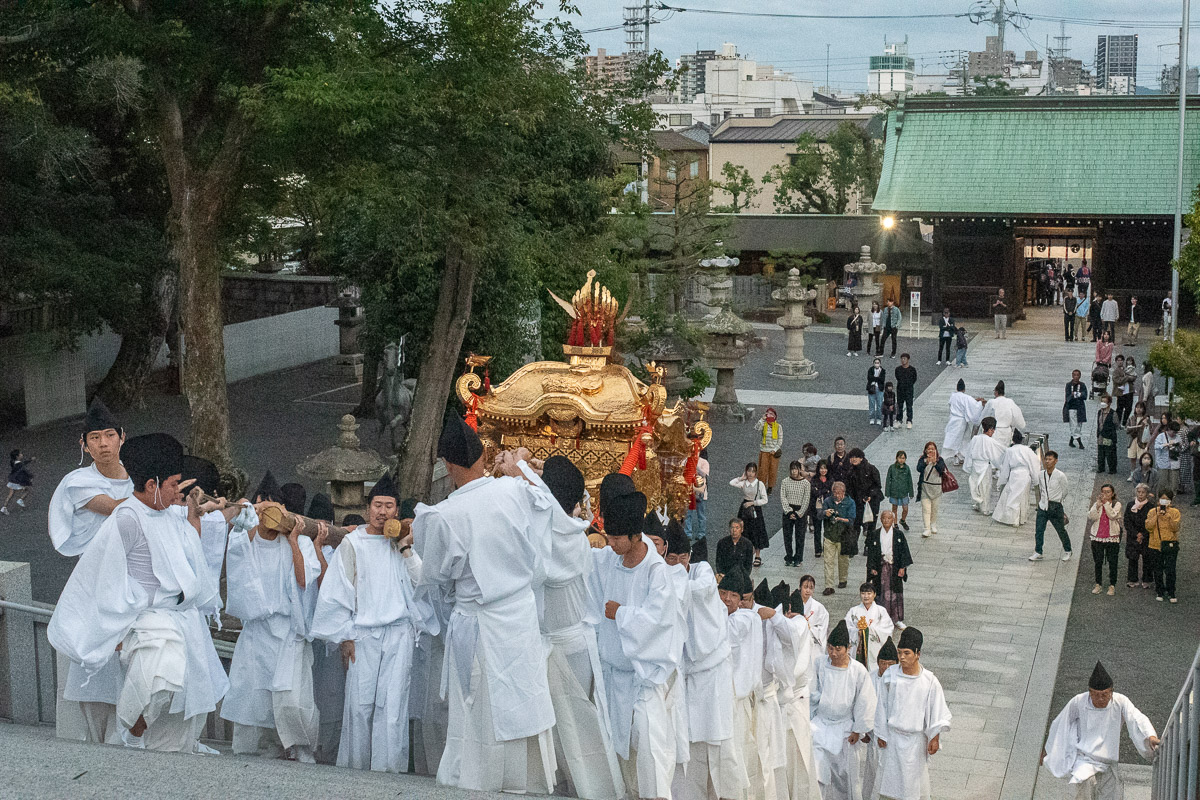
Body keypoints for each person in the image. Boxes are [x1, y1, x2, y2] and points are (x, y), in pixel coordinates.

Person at [47, 433, 230, 752]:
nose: (180, 492)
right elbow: (104, 581)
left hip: (185, 631)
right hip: (148, 630)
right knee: (147, 721)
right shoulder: (127, 520)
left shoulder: (175, 517)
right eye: (175, 484)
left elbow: (195, 580)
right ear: (151, 485)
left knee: (180, 732)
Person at [413, 418, 556, 792]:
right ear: (483, 454)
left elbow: (435, 574)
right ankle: (521, 781)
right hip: (519, 613)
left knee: (479, 707)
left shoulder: (445, 515)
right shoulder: (513, 492)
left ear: (447, 465)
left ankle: (476, 778)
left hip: (476, 617)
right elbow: (545, 511)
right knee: (517, 698)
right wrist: (520, 465)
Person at [311, 473, 429, 773]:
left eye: (389, 506)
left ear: (397, 511)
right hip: (363, 633)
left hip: (398, 632)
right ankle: (356, 769)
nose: (383, 512)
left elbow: (422, 583)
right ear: (368, 509)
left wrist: (405, 547)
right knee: (360, 705)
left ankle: (388, 771)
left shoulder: (402, 544)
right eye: (377, 505)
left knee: (392, 706)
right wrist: (344, 636)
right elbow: (338, 592)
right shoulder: (353, 542)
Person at [525, 456, 624, 800]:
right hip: (559, 643)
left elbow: (541, 568)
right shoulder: (565, 534)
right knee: (561, 728)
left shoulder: (567, 539)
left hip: (568, 646)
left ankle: (590, 790)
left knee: (574, 727)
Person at [46, 399, 134, 745]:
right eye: (94, 437)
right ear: (84, 445)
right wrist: (155, 501)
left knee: (127, 663)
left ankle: (124, 738)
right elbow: (112, 509)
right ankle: (83, 741)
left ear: (122, 437)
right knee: (88, 662)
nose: (103, 443)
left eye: (109, 435)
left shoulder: (138, 482)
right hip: (92, 581)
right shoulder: (77, 481)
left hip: (132, 581)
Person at [591, 473, 683, 799]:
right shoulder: (608, 559)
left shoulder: (656, 572)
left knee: (648, 745)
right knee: (616, 755)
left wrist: (621, 613)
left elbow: (658, 622)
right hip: (611, 676)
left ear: (634, 535)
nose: (610, 544)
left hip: (644, 679)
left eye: (616, 538)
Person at [223, 484, 322, 763]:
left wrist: (292, 542)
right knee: (254, 697)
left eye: (272, 506)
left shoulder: (299, 540)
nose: (265, 511)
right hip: (257, 629)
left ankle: (299, 748)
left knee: (290, 699)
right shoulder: (244, 540)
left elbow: (304, 582)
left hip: (288, 631)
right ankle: (255, 751)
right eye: (260, 505)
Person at [671, 527, 746, 800]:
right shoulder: (663, 572)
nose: (677, 563)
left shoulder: (701, 570)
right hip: (685, 668)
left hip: (711, 665)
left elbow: (700, 588)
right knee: (689, 742)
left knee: (718, 739)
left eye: (681, 558)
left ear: (688, 556)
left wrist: (672, 579)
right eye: (671, 558)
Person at [1041, 662, 1158, 799]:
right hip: (1085, 758)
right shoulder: (1079, 701)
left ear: (1111, 691)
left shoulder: (1120, 701)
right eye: (1096, 694)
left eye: (1104, 694)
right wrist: (1050, 750)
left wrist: (1149, 735)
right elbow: (1061, 723)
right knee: (1082, 790)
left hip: (1109, 762)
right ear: (1089, 692)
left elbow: (1137, 718)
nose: (1100, 698)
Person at [874, 627, 952, 800]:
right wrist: (881, 733)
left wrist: (934, 736)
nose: (901, 657)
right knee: (889, 787)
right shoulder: (890, 676)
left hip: (915, 742)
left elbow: (937, 710)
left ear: (918, 654)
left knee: (914, 789)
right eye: (900, 653)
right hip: (893, 739)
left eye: (906, 653)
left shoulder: (929, 681)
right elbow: (882, 706)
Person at [809, 620, 876, 800]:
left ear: (848, 648)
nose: (834, 653)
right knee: (817, 772)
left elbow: (865, 700)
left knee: (844, 777)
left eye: (838, 649)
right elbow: (812, 691)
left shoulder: (857, 671)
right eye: (830, 648)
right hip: (821, 725)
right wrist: (809, 718)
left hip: (844, 728)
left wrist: (858, 729)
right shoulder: (820, 664)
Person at [860, 637, 898, 799]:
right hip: (875, 734)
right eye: (883, 663)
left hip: (895, 736)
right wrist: (865, 731)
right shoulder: (870, 678)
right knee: (874, 772)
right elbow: (864, 704)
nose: (887, 667)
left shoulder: (900, 679)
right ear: (878, 662)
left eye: (890, 664)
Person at [865, 510, 911, 631]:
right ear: (881, 519)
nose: (886, 520)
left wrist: (902, 568)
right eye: (884, 518)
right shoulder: (875, 534)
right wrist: (872, 568)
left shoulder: (898, 535)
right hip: (880, 568)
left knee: (896, 593)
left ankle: (897, 619)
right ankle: (880, 618)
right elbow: (871, 554)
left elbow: (904, 552)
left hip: (894, 567)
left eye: (889, 518)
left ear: (893, 520)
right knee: (880, 593)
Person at [992, 430, 1041, 527]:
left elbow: (1005, 467)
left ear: (1013, 440)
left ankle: (1012, 519)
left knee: (1012, 496)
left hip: (1014, 474)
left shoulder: (1009, 450)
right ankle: (1020, 518)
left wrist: (1002, 481)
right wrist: (1036, 479)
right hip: (1025, 474)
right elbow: (1035, 464)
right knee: (1022, 497)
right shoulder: (1028, 450)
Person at [1032, 450, 1073, 563]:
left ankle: (1068, 550)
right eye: (1046, 459)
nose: (1048, 462)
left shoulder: (1060, 475)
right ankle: (1038, 551)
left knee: (1060, 530)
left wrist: (1058, 501)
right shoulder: (1041, 474)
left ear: (1056, 461)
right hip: (1043, 505)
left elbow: (1065, 491)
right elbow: (1041, 489)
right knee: (1039, 530)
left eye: (1050, 459)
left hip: (1055, 506)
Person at [1085, 484, 1123, 597]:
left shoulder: (1117, 504)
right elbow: (1092, 517)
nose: (1105, 494)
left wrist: (1106, 504)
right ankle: (1098, 584)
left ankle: (1112, 585)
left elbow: (1112, 515)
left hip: (1112, 537)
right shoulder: (1098, 504)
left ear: (1112, 493)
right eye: (1103, 492)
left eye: (1108, 492)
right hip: (1098, 536)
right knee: (1098, 561)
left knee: (1113, 561)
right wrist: (1097, 505)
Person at [845, 582, 895, 668]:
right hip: (858, 646)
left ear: (874, 594)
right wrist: (857, 631)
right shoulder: (854, 611)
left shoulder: (881, 611)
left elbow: (888, 628)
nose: (866, 596)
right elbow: (846, 627)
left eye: (869, 593)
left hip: (874, 647)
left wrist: (869, 630)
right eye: (863, 593)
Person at [964, 417, 1006, 515]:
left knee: (976, 485)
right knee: (985, 487)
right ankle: (985, 508)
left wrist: (968, 465)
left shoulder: (975, 438)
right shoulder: (990, 441)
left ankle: (978, 504)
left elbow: (969, 451)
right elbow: (997, 454)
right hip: (984, 465)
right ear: (991, 429)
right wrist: (1001, 466)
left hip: (975, 465)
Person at [731, 463, 770, 567]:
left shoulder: (759, 484)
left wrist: (753, 503)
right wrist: (741, 478)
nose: (751, 473)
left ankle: (757, 556)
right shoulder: (744, 483)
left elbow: (765, 499)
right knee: (744, 531)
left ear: (756, 473)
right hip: (744, 508)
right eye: (749, 471)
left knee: (756, 532)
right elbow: (732, 483)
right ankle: (744, 554)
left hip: (755, 509)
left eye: (753, 471)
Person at [1145, 489, 1181, 603]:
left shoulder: (1175, 512)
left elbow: (1175, 528)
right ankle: (1159, 590)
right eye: (1162, 499)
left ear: (1170, 501)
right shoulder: (1152, 511)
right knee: (1158, 570)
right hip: (1155, 545)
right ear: (1158, 500)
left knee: (1170, 570)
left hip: (1170, 544)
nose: (1164, 501)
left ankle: (1171, 592)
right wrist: (1157, 515)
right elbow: (1148, 527)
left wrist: (1168, 516)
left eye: (1166, 499)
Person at [821, 482, 856, 597]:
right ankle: (829, 586)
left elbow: (851, 520)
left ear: (844, 492)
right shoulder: (827, 501)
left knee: (843, 560)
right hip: (829, 535)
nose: (837, 495)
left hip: (843, 536)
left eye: (839, 493)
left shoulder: (850, 502)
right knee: (828, 561)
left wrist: (840, 518)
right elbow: (819, 515)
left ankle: (843, 579)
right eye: (835, 492)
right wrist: (825, 513)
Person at [846, 448, 882, 556]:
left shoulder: (871, 469)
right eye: (852, 457)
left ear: (861, 458)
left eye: (856, 457)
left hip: (872, 501)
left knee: (871, 525)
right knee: (855, 524)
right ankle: (853, 546)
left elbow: (877, 485)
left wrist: (870, 495)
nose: (854, 459)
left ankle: (868, 546)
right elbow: (849, 488)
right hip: (857, 502)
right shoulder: (850, 471)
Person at [943, 379, 983, 465]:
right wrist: (979, 403)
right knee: (962, 439)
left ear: (957, 388)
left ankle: (960, 456)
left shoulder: (953, 396)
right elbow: (972, 405)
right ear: (964, 389)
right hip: (961, 421)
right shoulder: (966, 397)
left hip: (953, 419)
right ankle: (958, 457)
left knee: (958, 439)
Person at [781, 460, 812, 567]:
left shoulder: (806, 483)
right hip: (788, 509)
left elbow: (806, 499)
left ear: (799, 470)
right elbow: (783, 497)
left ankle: (798, 558)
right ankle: (789, 557)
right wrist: (789, 511)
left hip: (800, 511)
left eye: (796, 469)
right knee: (787, 535)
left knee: (800, 536)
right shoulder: (785, 481)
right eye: (792, 469)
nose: (794, 471)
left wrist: (800, 513)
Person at [915, 442, 948, 539]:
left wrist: (935, 463)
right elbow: (919, 469)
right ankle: (926, 528)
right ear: (925, 450)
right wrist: (926, 462)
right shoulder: (922, 459)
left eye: (932, 449)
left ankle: (933, 524)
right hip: (925, 488)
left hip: (936, 488)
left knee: (934, 508)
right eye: (928, 449)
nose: (930, 451)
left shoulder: (940, 460)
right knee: (926, 509)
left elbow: (942, 470)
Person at [1124, 483, 1154, 590]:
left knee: (1147, 558)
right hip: (1133, 536)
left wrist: (1143, 534)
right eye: (1139, 492)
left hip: (1146, 537)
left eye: (1143, 492)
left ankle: (1147, 579)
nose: (1140, 494)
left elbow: (1152, 523)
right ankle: (1132, 579)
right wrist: (1136, 534)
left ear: (1147, 494)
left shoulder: (1151, 507)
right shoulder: (1130, 505)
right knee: (1132, 558)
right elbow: (1127, 521)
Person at [983, 381, 1027, 447]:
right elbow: (1019, 421)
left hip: (993, 432)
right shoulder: (1010, 402)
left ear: (996, 392)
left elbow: (983, 417)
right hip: (1006, 433)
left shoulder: (991, 402)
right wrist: (1013, 424)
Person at [685, 447, 709, 543]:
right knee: (688, 513)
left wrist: (696, 465)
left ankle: (701, 533)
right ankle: (688, 533)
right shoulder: (687, 460)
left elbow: (704, 473)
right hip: (689, 490)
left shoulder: (704, 462)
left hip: (700, 491)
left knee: (701, 514)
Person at [809, 461, 832, 560]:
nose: (823, 470)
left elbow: (831, 493)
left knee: (827, 529)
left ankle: (826, 548)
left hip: (827, 507)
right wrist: (825, 491)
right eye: (821, 468)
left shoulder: (831, 479)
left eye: (825, 468)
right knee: (817, 529)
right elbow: (814, 492)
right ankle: (817, 549)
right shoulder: (814, 479)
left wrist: (821, 491)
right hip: (816, 508)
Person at [1061, 369, 1090, 450]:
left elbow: (1085, 396)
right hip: (1071, 408)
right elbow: (1068, 397)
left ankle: (1071, 440)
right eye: (1074, 375)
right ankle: (1080, 442)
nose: (1076, 377)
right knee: (1074, 425)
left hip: (1080, 408)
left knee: (1079, 425)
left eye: (1078, 375)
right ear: (1072, 376)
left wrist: (1077, 394)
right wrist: (1073, 395)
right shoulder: (1068, 385)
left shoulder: (1082, 385)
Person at [757, 409, 783, 496]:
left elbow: (780, 440)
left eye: (771, 414)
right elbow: (756, 428)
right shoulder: (763, 425)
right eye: (768, 414)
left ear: (775, 416)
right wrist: (762, 419)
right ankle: (762, 486)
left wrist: (775, 449)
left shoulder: (778, 426)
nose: (769, 415)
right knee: (762, 470)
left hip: (773, 452)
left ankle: (770, 487)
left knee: (773, 470)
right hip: (764, 450)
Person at [1153, 421, 1183, 497]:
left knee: (1173, 485)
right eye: (1173, 432)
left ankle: (1171, 501)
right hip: (1163, 463)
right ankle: (1160, 500)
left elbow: (1181, 449)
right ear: (1168, 429)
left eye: (1176, 432)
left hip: (1174, 463)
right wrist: (1166, 445)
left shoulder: (1178, 437)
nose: (1175, 434)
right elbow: (1156, 446)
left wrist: (1178, 445)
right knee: (1162, 484)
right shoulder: (1161, 436)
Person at [885, 450, 913, 531]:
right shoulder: (892, 468)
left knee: (905, 509)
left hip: (904, 492)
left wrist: (911, 492)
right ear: (897, 458)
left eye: (903, 458)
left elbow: (909, 481)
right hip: (894, 491)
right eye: (900, 458)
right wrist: (887, 491)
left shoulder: (907, 468)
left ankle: (903, 520)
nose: (901, 460)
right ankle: (895, 523)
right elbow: (888, 480)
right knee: (894, 508)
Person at [2, 449, 34, 515]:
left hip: (12, 480)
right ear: (17, 456)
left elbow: (23, 463)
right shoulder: (20, 465)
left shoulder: (13, 462)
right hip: (17, 481)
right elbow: (25, 471)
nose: (22, 454)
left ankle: (4, 507)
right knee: (27, 490)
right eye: (20, 453)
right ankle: (20, 499)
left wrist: (30, 460)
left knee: (10, 494)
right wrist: (31, 476)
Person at [1095, 395, 1120, 475]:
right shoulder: (1100, 412)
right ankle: (1101, 467)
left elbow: (1117, 425)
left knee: (1110, 453)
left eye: (1105, 402)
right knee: (1100, 452)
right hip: (1101, 435)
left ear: (1109, 403)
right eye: (1102, 401)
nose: (1103, 403)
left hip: (1109, 435)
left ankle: (1112, 469)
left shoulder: (1113, 413)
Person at [1124, 402, 1151, 476]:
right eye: (1137, 407)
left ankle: (1143, 473)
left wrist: (1146, 425)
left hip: (1142, 441)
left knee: (1142, 459)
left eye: (1140, 408)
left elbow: (1150, 430)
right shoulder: (1131, 418)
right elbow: (1127, 429)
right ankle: (1132, 474)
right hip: (1132, 440)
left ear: (1143, 409)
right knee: (1132, 458)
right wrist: (1132, 428)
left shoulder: (1146, 419)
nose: (1138, 409)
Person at [894, 354, 917, 429]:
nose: (903, 360)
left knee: (909, 406)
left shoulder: (912, 369)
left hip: (909, 390)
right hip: (900, 390)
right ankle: (899, 420)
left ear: (908, 359)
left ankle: (909, 420)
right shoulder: (898, 369)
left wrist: (909, 385)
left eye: (904, 359)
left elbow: (914, 379)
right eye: (902, 359)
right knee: (899, 406)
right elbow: (897, 377)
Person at [1111, 356, 1135, 425]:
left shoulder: (1127, 369)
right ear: (1116, 362)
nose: (1120, 362)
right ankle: (1118, 422)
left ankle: (1124, 422)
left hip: (1129, 391)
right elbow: (1117, 380)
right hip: (1121, 393)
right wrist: (1127, 378)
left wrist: (1128, 378)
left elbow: (1133, 377)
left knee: (1129, 408)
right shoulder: (1116, 371)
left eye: (1121, 360)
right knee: (1120, 408)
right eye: (1118, 360)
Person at [866, 358, 886, 426]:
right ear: (873, 363)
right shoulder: (870, 369)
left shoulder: (883, 371)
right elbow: (869, 378)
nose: (877, 364)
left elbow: (882, 380)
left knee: (879, 405)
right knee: (871, 404)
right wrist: (877, 378)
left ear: (880, 363)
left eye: (878, 362)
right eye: (875, 362)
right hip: (871, 388)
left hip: (879, 389)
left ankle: (879, 419)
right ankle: (871, 418)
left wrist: (875, 378)